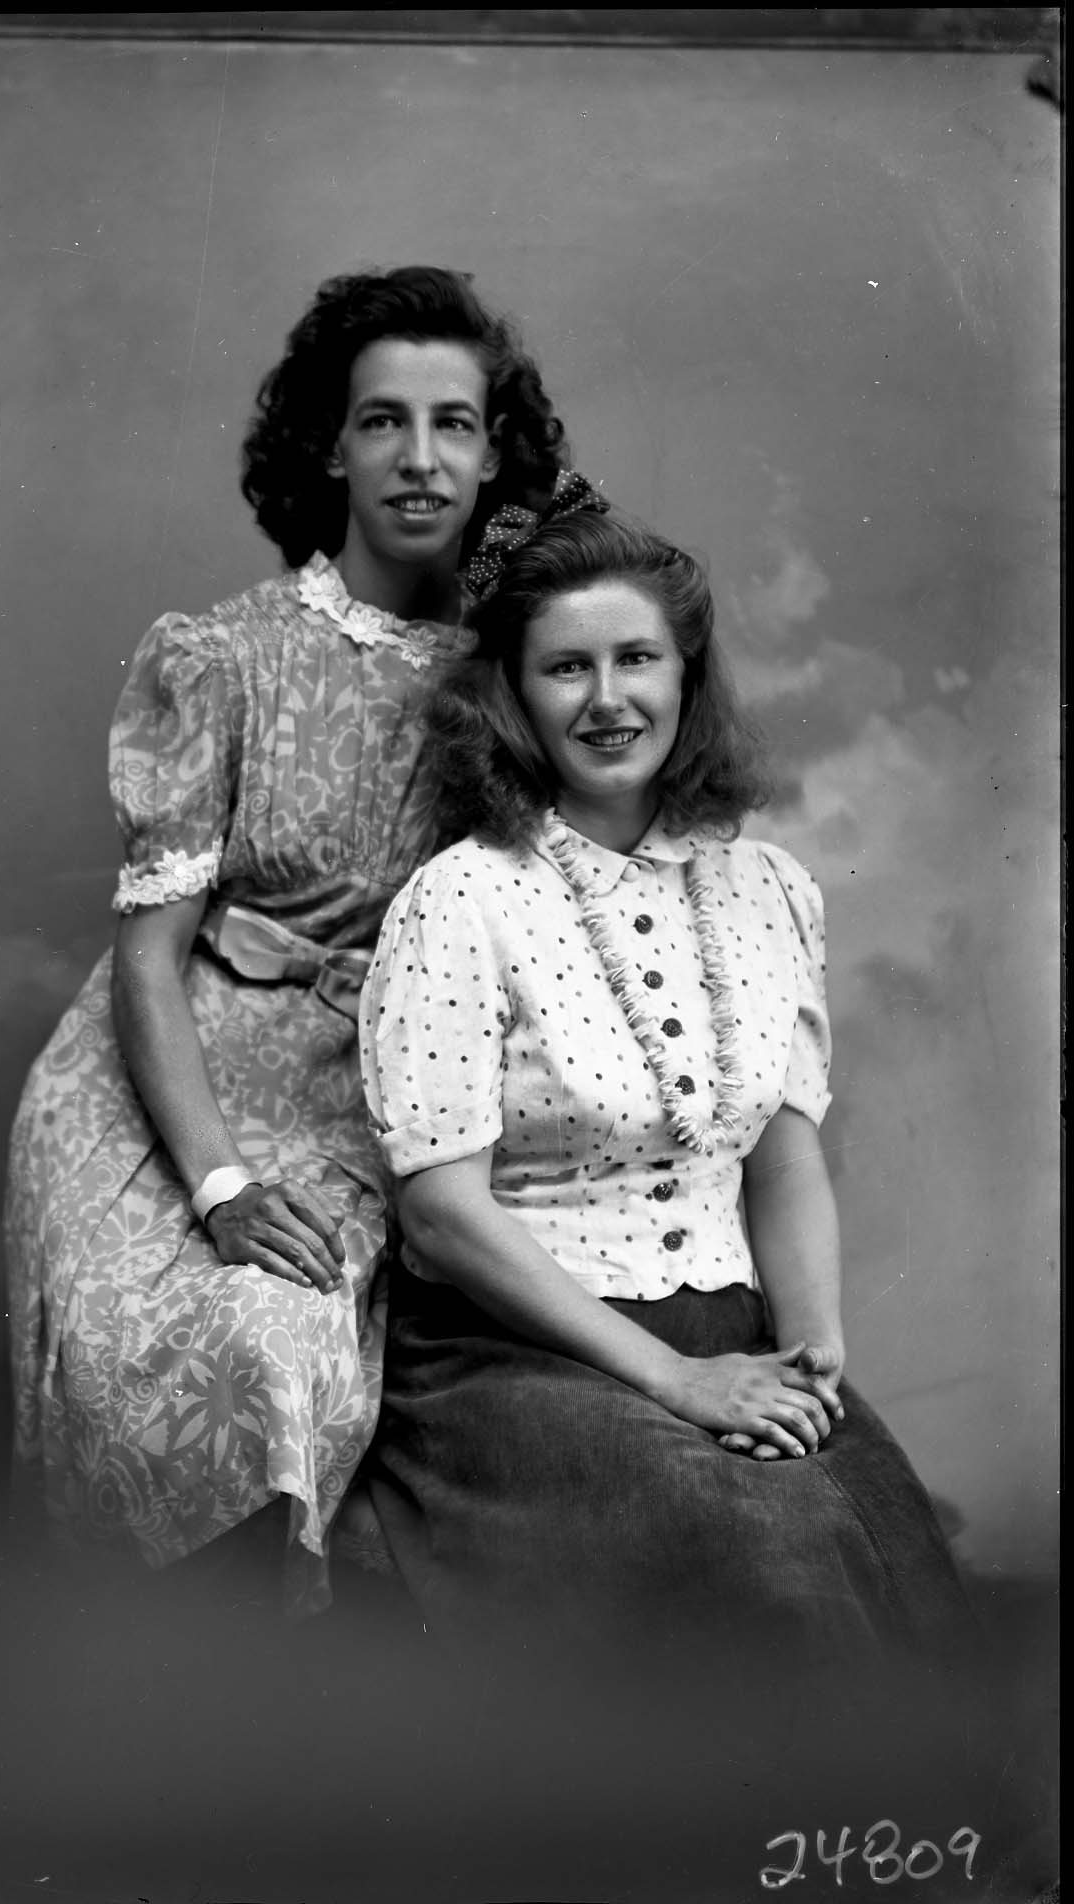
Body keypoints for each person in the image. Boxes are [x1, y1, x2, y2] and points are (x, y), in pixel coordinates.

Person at [3, 265, 571, 1608]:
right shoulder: (224, 655)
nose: (419, 458)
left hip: (362, 1098)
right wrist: (220, 1188)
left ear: (496, 453)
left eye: (453, 423)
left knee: (281, 1348)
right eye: (382, 421)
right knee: (169, 1357)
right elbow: (151, 957)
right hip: (157, 1094)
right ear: (330, 446)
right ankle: (154, 1692)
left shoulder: (520, 671)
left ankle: (266, 1689)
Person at [358, 507, 975, 1681]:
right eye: (565, 667)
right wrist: (677, 1380)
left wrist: (810, 1348)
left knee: (897, 1558)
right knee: (771, 1570)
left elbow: (782, 1156)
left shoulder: (768, 888)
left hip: (724, 1326)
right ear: (512, 694)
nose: (607, 699)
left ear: (685, 674)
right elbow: (439, 1211)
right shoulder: (462, 898)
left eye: (635, 657)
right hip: (514, 1348)